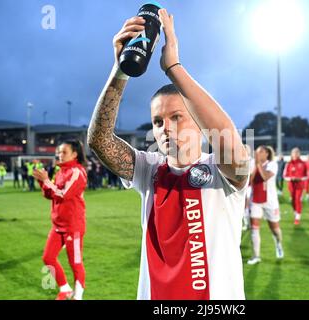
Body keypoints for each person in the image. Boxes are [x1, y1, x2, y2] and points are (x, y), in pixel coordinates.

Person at [87, 9, 250, 300]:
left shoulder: (222, 172)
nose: (165, 128)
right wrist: (121, 69)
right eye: (158, 121)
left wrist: (173, 65)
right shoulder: (148, 170)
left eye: (177, 117)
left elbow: (227, 139)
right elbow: (99, 140)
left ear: (200, 124)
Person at [33, 140, 88, 300]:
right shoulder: (61, 171)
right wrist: (42, 181)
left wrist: (47, 180)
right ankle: (65, 289)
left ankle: (78, 296)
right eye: (59, 152)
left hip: (73, 226)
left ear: (74, 154)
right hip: (58, 225)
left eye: (64, 152)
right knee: (48, 258)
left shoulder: (78, 172)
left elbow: (64, 194)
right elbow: (49, 194)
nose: (60, 155)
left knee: (75, 262)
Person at [247, 146, 283, 265]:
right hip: (255, 199)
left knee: (275, 228)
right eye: (256, 151)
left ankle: (278, 244)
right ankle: (256, 256)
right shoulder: (252, 163)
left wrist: (258, 165)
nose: (258, 153)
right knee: (254, 228)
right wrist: (254, 166)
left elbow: (265, 177)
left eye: (261, 152)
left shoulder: (272, 164)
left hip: (270, 201)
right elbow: (249, 181)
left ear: (267, 154)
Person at [283, 148, 308, 225]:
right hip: (291, 185)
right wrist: (291, 178)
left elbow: (307, 175)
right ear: (291, 154)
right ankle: (295, 212)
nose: (295, 154)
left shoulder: (303, 163)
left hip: (300, 185)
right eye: (294, 153)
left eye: (297, 152)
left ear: (299, 154)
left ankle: (297, 217)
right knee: (293, 200)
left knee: (298, 200)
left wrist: (299, 179)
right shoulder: (288, 164)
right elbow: (284, 176)